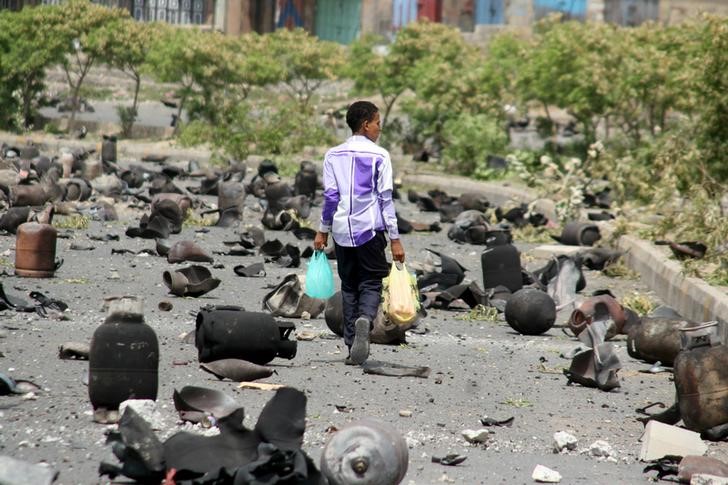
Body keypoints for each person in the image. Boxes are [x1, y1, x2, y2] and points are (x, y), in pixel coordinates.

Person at [314, 101, 405, 365]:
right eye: (378, 123)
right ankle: (366, 317)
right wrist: (395, 239)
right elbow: (385, 200)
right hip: (370, 230)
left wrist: (323, 231)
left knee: (349, 285)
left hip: (342, 230)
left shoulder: (333, 155)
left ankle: (352, 343)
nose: (379, 129)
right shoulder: (380, 156)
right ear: (366, 125)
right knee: (371, 282)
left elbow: (331, 197)